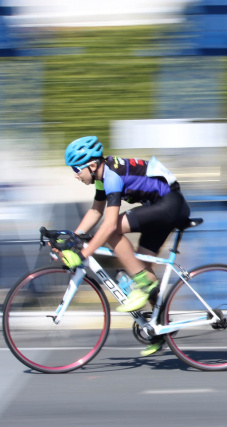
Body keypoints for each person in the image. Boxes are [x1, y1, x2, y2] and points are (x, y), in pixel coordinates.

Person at [61, 136, 191, 356]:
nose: (75, 174)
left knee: (112, 231)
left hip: (169, 205)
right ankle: (159, 327)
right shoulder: (103, 177)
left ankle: (142, 285)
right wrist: (72, 237)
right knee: (139, 264)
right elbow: (95, 211)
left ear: (92, 165)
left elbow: (110, 224)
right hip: (163, 206)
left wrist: (83, 252)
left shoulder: (111, 176)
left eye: (76, 168)